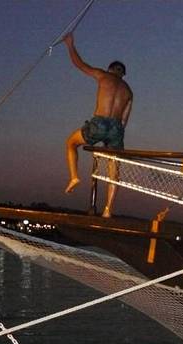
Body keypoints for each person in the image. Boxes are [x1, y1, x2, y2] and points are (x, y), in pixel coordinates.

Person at [63, 32, 133, 218]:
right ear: (123, 74)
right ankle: (108, 209)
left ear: (110, 69)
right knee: (114, 170)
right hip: (116, 128)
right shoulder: (128, 91)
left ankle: (74, 177)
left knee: (71, 142)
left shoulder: (102, 76)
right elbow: (125, 120)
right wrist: (114, 136)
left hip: (100, 123)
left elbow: (79, 64)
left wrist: (70, 44)